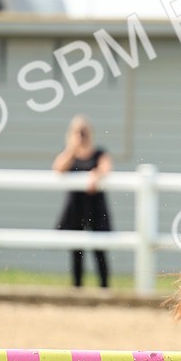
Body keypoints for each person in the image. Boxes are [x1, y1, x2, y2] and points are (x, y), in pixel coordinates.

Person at [53, 116, 113, 287]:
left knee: (100, 250)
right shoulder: (69, 155)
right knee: (76, 251)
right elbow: (58, 168)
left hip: (95, 207)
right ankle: (77, 288)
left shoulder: (99, 153)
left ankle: (104, 288)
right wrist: (72, 148)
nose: (81, 135)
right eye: (78, 132)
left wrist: (96, 175)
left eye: (84, 132)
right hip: (76, 208)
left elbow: (106, 167)